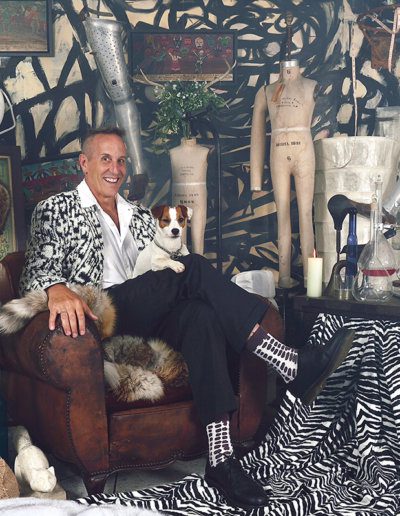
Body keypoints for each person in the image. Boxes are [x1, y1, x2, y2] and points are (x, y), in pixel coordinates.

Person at [20, 127, 354, 510]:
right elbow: (34, 272)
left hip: (148, 312)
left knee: (201, 316)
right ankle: (287, 361)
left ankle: (221, 459)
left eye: (122, 160)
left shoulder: (140, 215)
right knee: (191, 267)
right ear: (84, 163)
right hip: (104, 312)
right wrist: (56, 289)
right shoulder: (56, 209)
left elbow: (165, 274)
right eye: (105, 159)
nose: (115, 169)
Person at [250, 59, 317, 289]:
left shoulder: (311, 85)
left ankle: (310, 279)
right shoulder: (266, 91)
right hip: (278, 151)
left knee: (306, 214)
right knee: (283, 215)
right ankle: (285, 277)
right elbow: (257, 133)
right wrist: (255, 179)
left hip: (304, 151)